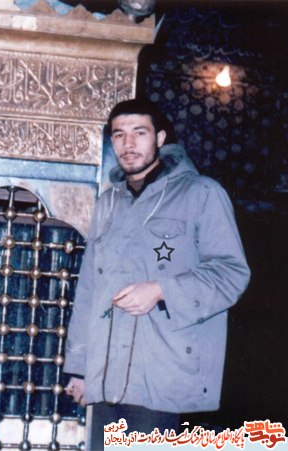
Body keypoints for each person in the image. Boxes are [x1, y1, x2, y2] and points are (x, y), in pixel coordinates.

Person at [63, 98, 250, 449]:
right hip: (106, 373)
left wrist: (162, 290)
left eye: (139, 133)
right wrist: (80, 367)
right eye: (119, 135)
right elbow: (89, 289)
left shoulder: (202, 194)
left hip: (162, 370)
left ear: (160, 138)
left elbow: (231, 273)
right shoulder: (108, 203)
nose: (128, 144)